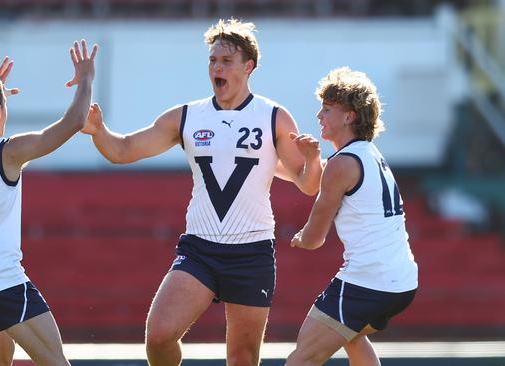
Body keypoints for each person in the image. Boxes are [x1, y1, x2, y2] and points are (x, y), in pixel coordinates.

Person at [81, 19, 322, 366]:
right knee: (160, 336)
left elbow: (308, 183)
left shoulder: (273, 117)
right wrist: (99, 131)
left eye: (226, 60)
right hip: (200, 249)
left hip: (251, 252)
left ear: (248, 66)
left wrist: (313, 161)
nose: (216, 67)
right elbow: (123, 150)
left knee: (241, 358)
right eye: (212, 60)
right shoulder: (187, 116)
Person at [0, 39, 97, 365]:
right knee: (56, 362)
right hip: (0, 281)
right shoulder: (6, 152)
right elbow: (73, 123)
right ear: (0, 111)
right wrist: (86, 80)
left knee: (0, 361)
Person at [286, 67, 418, 366]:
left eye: (328, 109)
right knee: (352, 336)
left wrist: (299, 239)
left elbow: (314, 238)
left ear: (350, 116)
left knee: (302, 359)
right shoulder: (370, 154)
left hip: (368, 282)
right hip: (402, 282)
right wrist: (310, 158)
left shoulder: (341, 164)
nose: (320, 115)